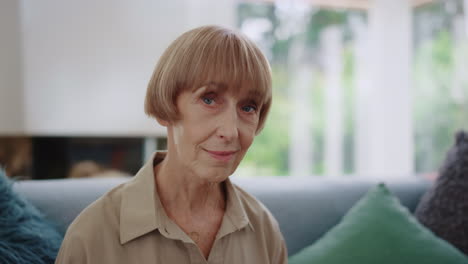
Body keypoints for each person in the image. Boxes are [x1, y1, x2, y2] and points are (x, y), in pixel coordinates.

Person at [56, 25, 288, 264]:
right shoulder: (93, 236)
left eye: (248, 107)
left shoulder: (264, 232)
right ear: (166, 108)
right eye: (209, 99)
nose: (230, 132)